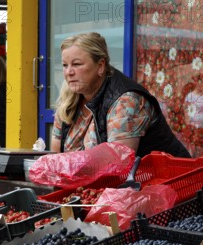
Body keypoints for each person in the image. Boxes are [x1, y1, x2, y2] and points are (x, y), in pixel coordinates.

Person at [50, 32, 190, 158]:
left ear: (100, 66)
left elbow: (117, 162)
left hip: (167, 181)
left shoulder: (126, 100)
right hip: (105, 185)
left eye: (77, 64)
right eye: (64, 65)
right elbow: (56, 156)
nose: (68, 72)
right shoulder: (69, 97)